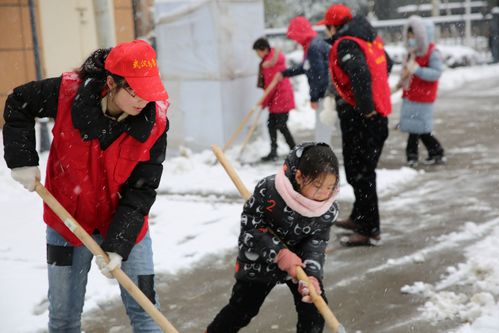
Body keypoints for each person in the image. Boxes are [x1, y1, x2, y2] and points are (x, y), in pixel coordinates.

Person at [3, 40, 169, 332]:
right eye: (134, 90)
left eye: (149, 90)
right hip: (65, 221)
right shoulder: (67, 93)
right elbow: (19, 101)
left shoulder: (155, 124)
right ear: (111, 82)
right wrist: (22, 160)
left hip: (127, 225)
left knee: (146, 314)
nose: (143, 99)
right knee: (64, 320)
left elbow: (142, 189)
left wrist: (119, 244)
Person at [206, 142, 340, 333]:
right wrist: (280, 253)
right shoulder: (270, 190)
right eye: (318, 186)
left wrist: (312, 274)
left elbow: (316, 242)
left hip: (299, 262)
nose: (323, 194)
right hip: (260, 258)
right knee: (243, 309)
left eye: (329, 187)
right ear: (300, 177)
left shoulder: (327, 209)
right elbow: (251, 230)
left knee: (314, 309)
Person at [318, 4, 393, 246]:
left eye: (326, 28)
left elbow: (360, 73)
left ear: (334, 26)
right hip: (371, 117)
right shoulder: (369, 40)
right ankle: (360, 217)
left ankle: (370, 229)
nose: (326, 33)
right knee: (357, 171)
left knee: (362, 175)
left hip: (363, 119)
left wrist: (365, 107)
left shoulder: (347, 44)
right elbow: (387, 64)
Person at [394, 16, 445, 167]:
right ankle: (431, 153)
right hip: (411, 95)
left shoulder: (431, 52)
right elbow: (407, 71)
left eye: (413, 36)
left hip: (423, 97)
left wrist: (418, 70)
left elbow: (436, 73)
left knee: (420, 129)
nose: (411, 40)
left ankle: (419, 155)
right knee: (415, 129)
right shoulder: (411, 52)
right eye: (409, 37)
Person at [273, 16, 332, 145]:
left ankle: (323, 158)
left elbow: (318, 74)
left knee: (323, 129)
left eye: (294, 36)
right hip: (325, 92)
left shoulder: (313, 47)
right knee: (324, 128)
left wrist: (315, 97)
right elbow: (306, 68)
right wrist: (285, 73)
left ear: (300, 33)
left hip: (325, 93)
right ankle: (323, 156)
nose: (295, 40)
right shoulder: (312, 44)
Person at [253, 37, 296, 161]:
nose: (257, 55)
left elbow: (270, 86)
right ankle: (274, 151)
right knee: (271, 124)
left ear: (264, 49)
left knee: (281, 125)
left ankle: (294, 149)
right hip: (279, 97)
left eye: (257, 51)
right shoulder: (270, 59)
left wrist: (263, 102)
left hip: (280, 97)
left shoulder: (270, 63)